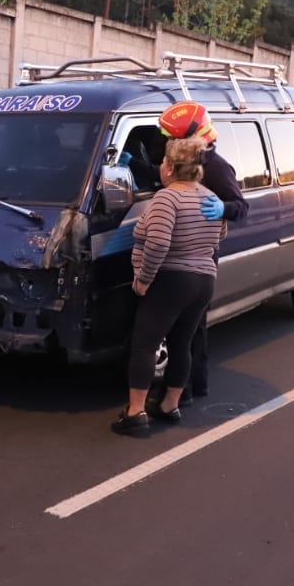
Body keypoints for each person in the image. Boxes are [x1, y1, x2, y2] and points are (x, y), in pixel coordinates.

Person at [112, 135, 226, 435]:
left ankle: (135, 413)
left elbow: (160, 242)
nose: (160, 166)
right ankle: (169, 406)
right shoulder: (210, 197)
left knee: (144, 346)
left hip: (172, 279)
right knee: (182, 344)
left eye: (162, 161)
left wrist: (144, 278)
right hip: (204, 279)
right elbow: (220, 234)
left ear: (172, 169)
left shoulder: (167, 197)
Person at [156, 101, 249, 402]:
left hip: (202, 257)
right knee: (183, 328)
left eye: (174, 138)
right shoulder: (187, 160)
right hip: (183, 255)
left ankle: (192, 387)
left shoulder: (217, 167)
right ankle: (184, 385)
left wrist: (224, 208)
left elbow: (241, 207)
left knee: (194, 328)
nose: (169, 143)